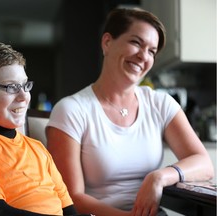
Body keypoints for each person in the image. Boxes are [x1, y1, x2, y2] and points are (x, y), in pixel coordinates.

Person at [46, 8, 214, 216]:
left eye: (152, 51)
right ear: (107, 42)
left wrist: (159, 176)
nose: (144, 56)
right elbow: (71, 198)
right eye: (136, 42)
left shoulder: (160, 103)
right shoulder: (71, 110)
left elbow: (204, 163)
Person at [0, 41, 93, 216]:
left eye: (25, 85)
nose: (23, 97)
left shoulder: (37, 149)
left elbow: (69, 211)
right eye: (11, 87)